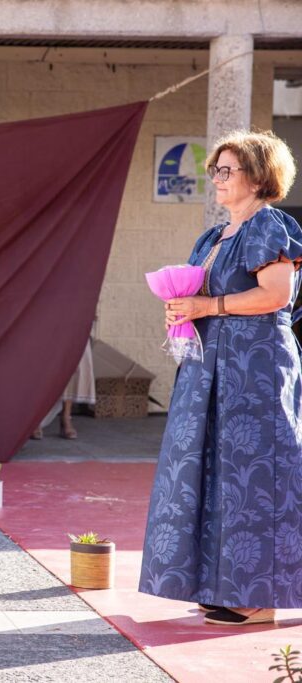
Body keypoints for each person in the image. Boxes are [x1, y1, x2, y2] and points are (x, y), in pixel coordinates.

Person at [139, 130, 300, 626]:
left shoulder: (271, 227)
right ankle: (221, 582)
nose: (218, 179)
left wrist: (208, 305)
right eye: (216, 170)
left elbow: (276, 296)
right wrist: (182, 312)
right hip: (209, 368)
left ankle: (259, 596)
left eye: (227, 170)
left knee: (256, 477)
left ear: (258, 175)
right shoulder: (212, 237)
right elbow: (201, 295)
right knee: (211, 474)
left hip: (255, 368)